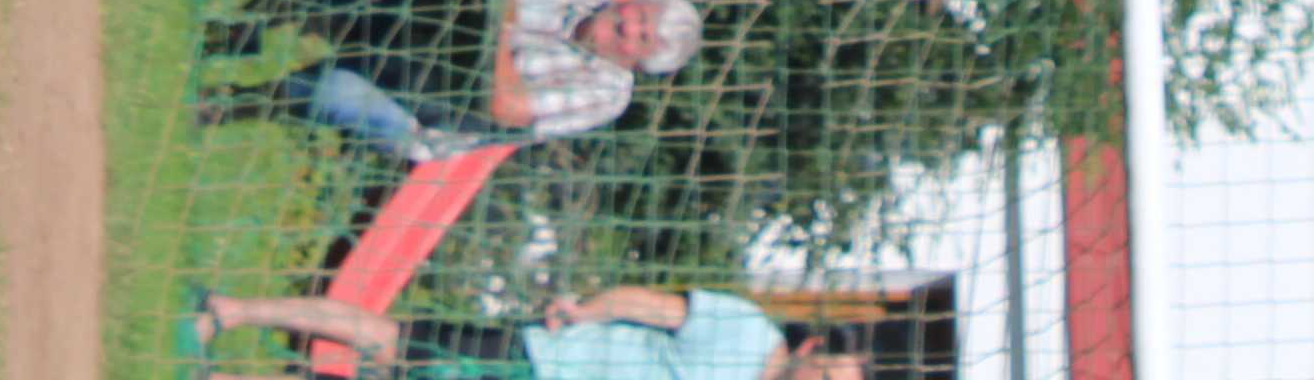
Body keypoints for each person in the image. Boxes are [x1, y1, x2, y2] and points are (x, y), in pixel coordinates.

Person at [257, 0, 701, 161]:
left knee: (332, 92)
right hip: (417, 21)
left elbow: (506, 106)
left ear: (637, 63)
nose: (630, 25)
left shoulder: (606, 93)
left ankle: (243, 99)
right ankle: (255, 6)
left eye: (642, 37)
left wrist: (495, 21)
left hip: (425, 110)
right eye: (641, 14)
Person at [200, 278, 858, 379]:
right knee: (389, 341)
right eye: (828, 378)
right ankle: (230, 312)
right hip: (540, 357)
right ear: (813, 349)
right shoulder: (746, 327)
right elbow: (652, 305)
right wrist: (587, 308)